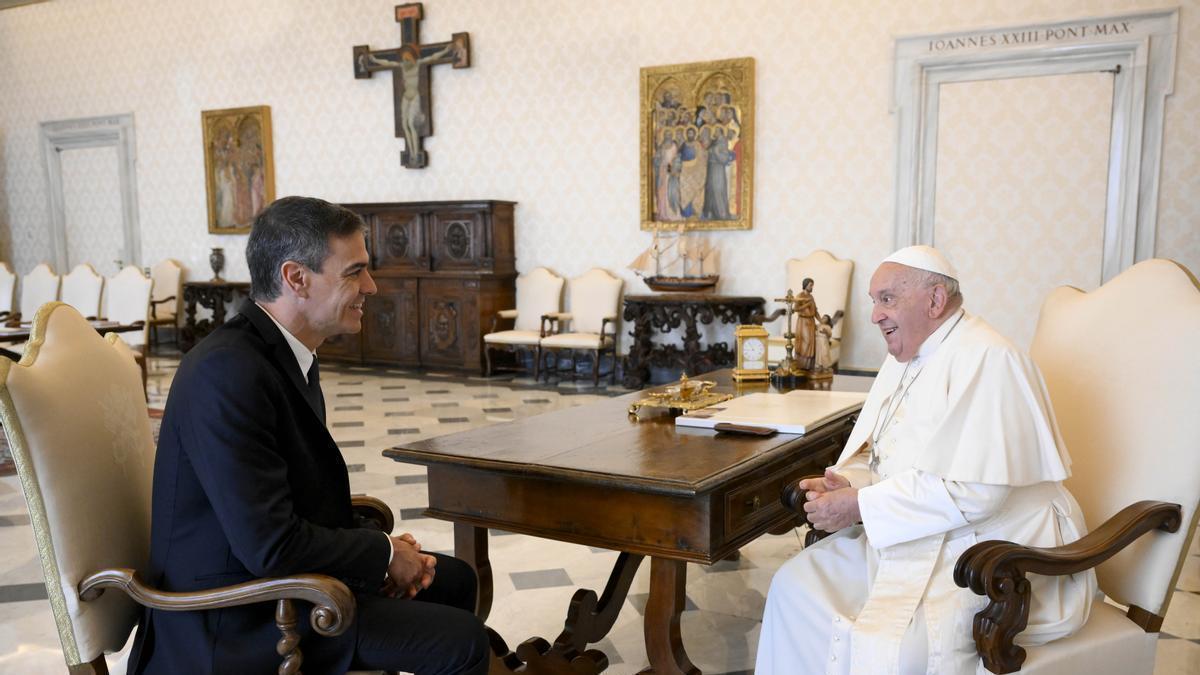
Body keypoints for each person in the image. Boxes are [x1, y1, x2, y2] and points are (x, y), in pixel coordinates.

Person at [129, 197, 489, 674]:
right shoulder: (227, 372)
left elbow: (298, 502)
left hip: (284, 586)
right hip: (235, 620)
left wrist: (387, 553)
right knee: (462, 644)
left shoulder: (282, 354)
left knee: (457, 581)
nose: (371, 286)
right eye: (353, 272)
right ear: (296, 278)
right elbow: (270, 545)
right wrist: (381, 555)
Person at [755, 246, 1095, 675]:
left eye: (887, 299)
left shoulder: (989, 358)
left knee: (899, 647)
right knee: (793, 587)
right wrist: (849, 484)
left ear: (935, 300)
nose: (875, 314)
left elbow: (978, 493)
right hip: (922, 530)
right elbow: (886, 450)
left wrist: (861, 505)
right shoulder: (908, 355)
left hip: (998, 549)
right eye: (874, 300)